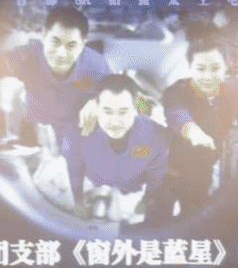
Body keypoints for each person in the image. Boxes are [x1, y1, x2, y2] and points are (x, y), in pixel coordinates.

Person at [0, 6, 111, 151]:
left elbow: (120, 92)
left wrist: (97, 102)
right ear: (44, 36)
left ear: (82, 45)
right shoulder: (28, 56)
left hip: (79, 140)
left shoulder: (97, 66)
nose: (61, 54)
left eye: (71, 46)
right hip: (35, 137)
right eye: (55, 42)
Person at [63, 74, 170, 225]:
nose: (115, 122)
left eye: (123, 112)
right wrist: (78, 202)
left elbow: (157, 171)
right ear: (96, 108)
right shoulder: (76, 135)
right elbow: (75, 168)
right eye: (107, 111)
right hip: (95, 180)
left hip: (133, 187)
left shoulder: (155, 136)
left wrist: (147, 200)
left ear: (135, 109)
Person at [155, 37, 238, 221]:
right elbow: (177, 114)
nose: (207, 76)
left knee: (195, 224)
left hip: (201, 175)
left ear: (226, 67)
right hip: (167, 173)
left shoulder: (231, 95)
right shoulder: (177, 91)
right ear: (190, 68)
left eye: (215, 68)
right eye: (200, 69)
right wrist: (194, 133)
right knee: (154, 225)